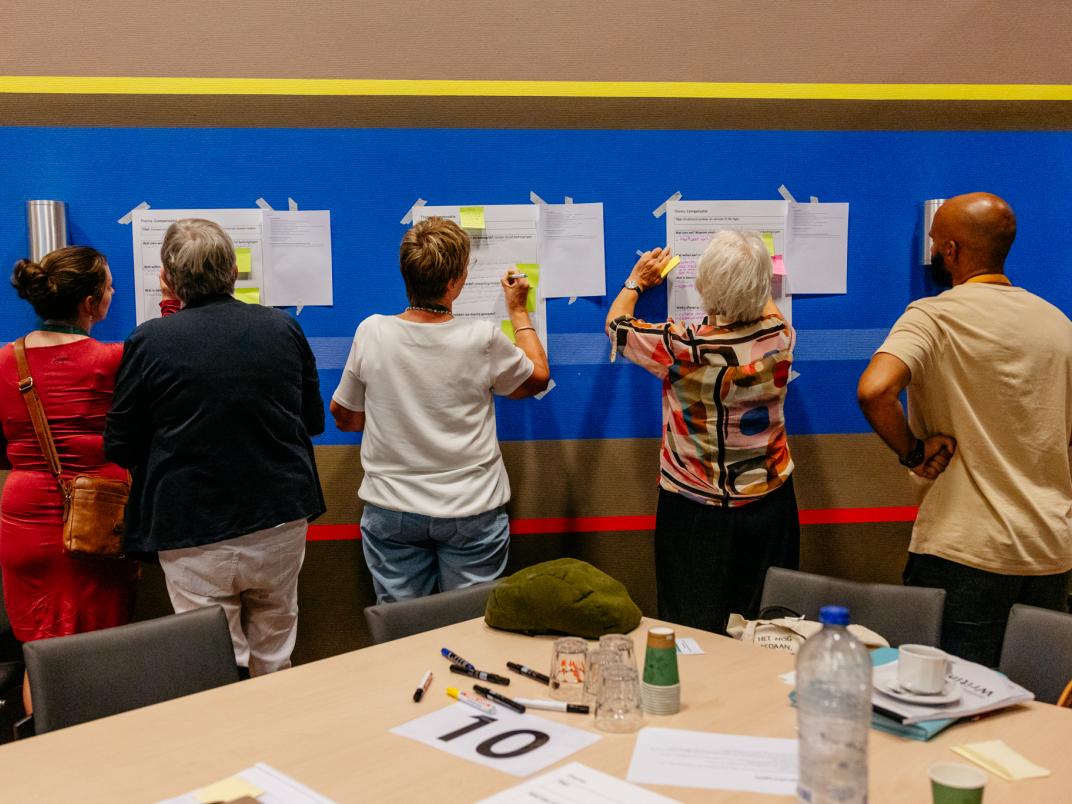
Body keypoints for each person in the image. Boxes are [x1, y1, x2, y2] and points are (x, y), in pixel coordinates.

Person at [858, 192, 1072, 667]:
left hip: (964, 550)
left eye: (936, 243)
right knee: (1033, 709)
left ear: (951, 251)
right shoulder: (1058, 324)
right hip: (1050, 553)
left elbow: (875, 391)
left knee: (948, 704)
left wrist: (914, 453)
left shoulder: (933, 316)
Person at [104, 218, 325, 676]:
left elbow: (121, 442)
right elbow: (312, 422)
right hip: (279, 516)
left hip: (190, 525)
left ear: (166, 278)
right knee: (275, 654)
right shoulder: (282, 328)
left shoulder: (149, 342)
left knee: (214, 663)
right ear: (233, 272)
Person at [330, 217, 549, 603]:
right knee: (469, 631)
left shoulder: (372, 332)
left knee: (400, 628)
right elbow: (537, 379)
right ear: (454, 282)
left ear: (405, 272)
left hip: (391, 507)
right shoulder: (480, 337)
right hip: (471, 508)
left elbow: (345, 417)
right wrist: (518, 311)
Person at [606, 232, 799, 635]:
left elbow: (616, 325)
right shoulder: (779, 336)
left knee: (693, 627)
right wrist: (753, 269)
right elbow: (763, 305)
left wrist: (636, 282)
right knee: (765, 628)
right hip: (771, 506)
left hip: (694, 513)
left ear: (702, 287)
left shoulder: (682, 347)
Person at [0, 246, 139, 714]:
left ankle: (44, 766)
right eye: (109, 285)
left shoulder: (4, 361)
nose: (113, 292)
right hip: (93, 516)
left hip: (21, 515)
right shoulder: (112, 359)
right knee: (98, 651)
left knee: (39, 656)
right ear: (89, 302)